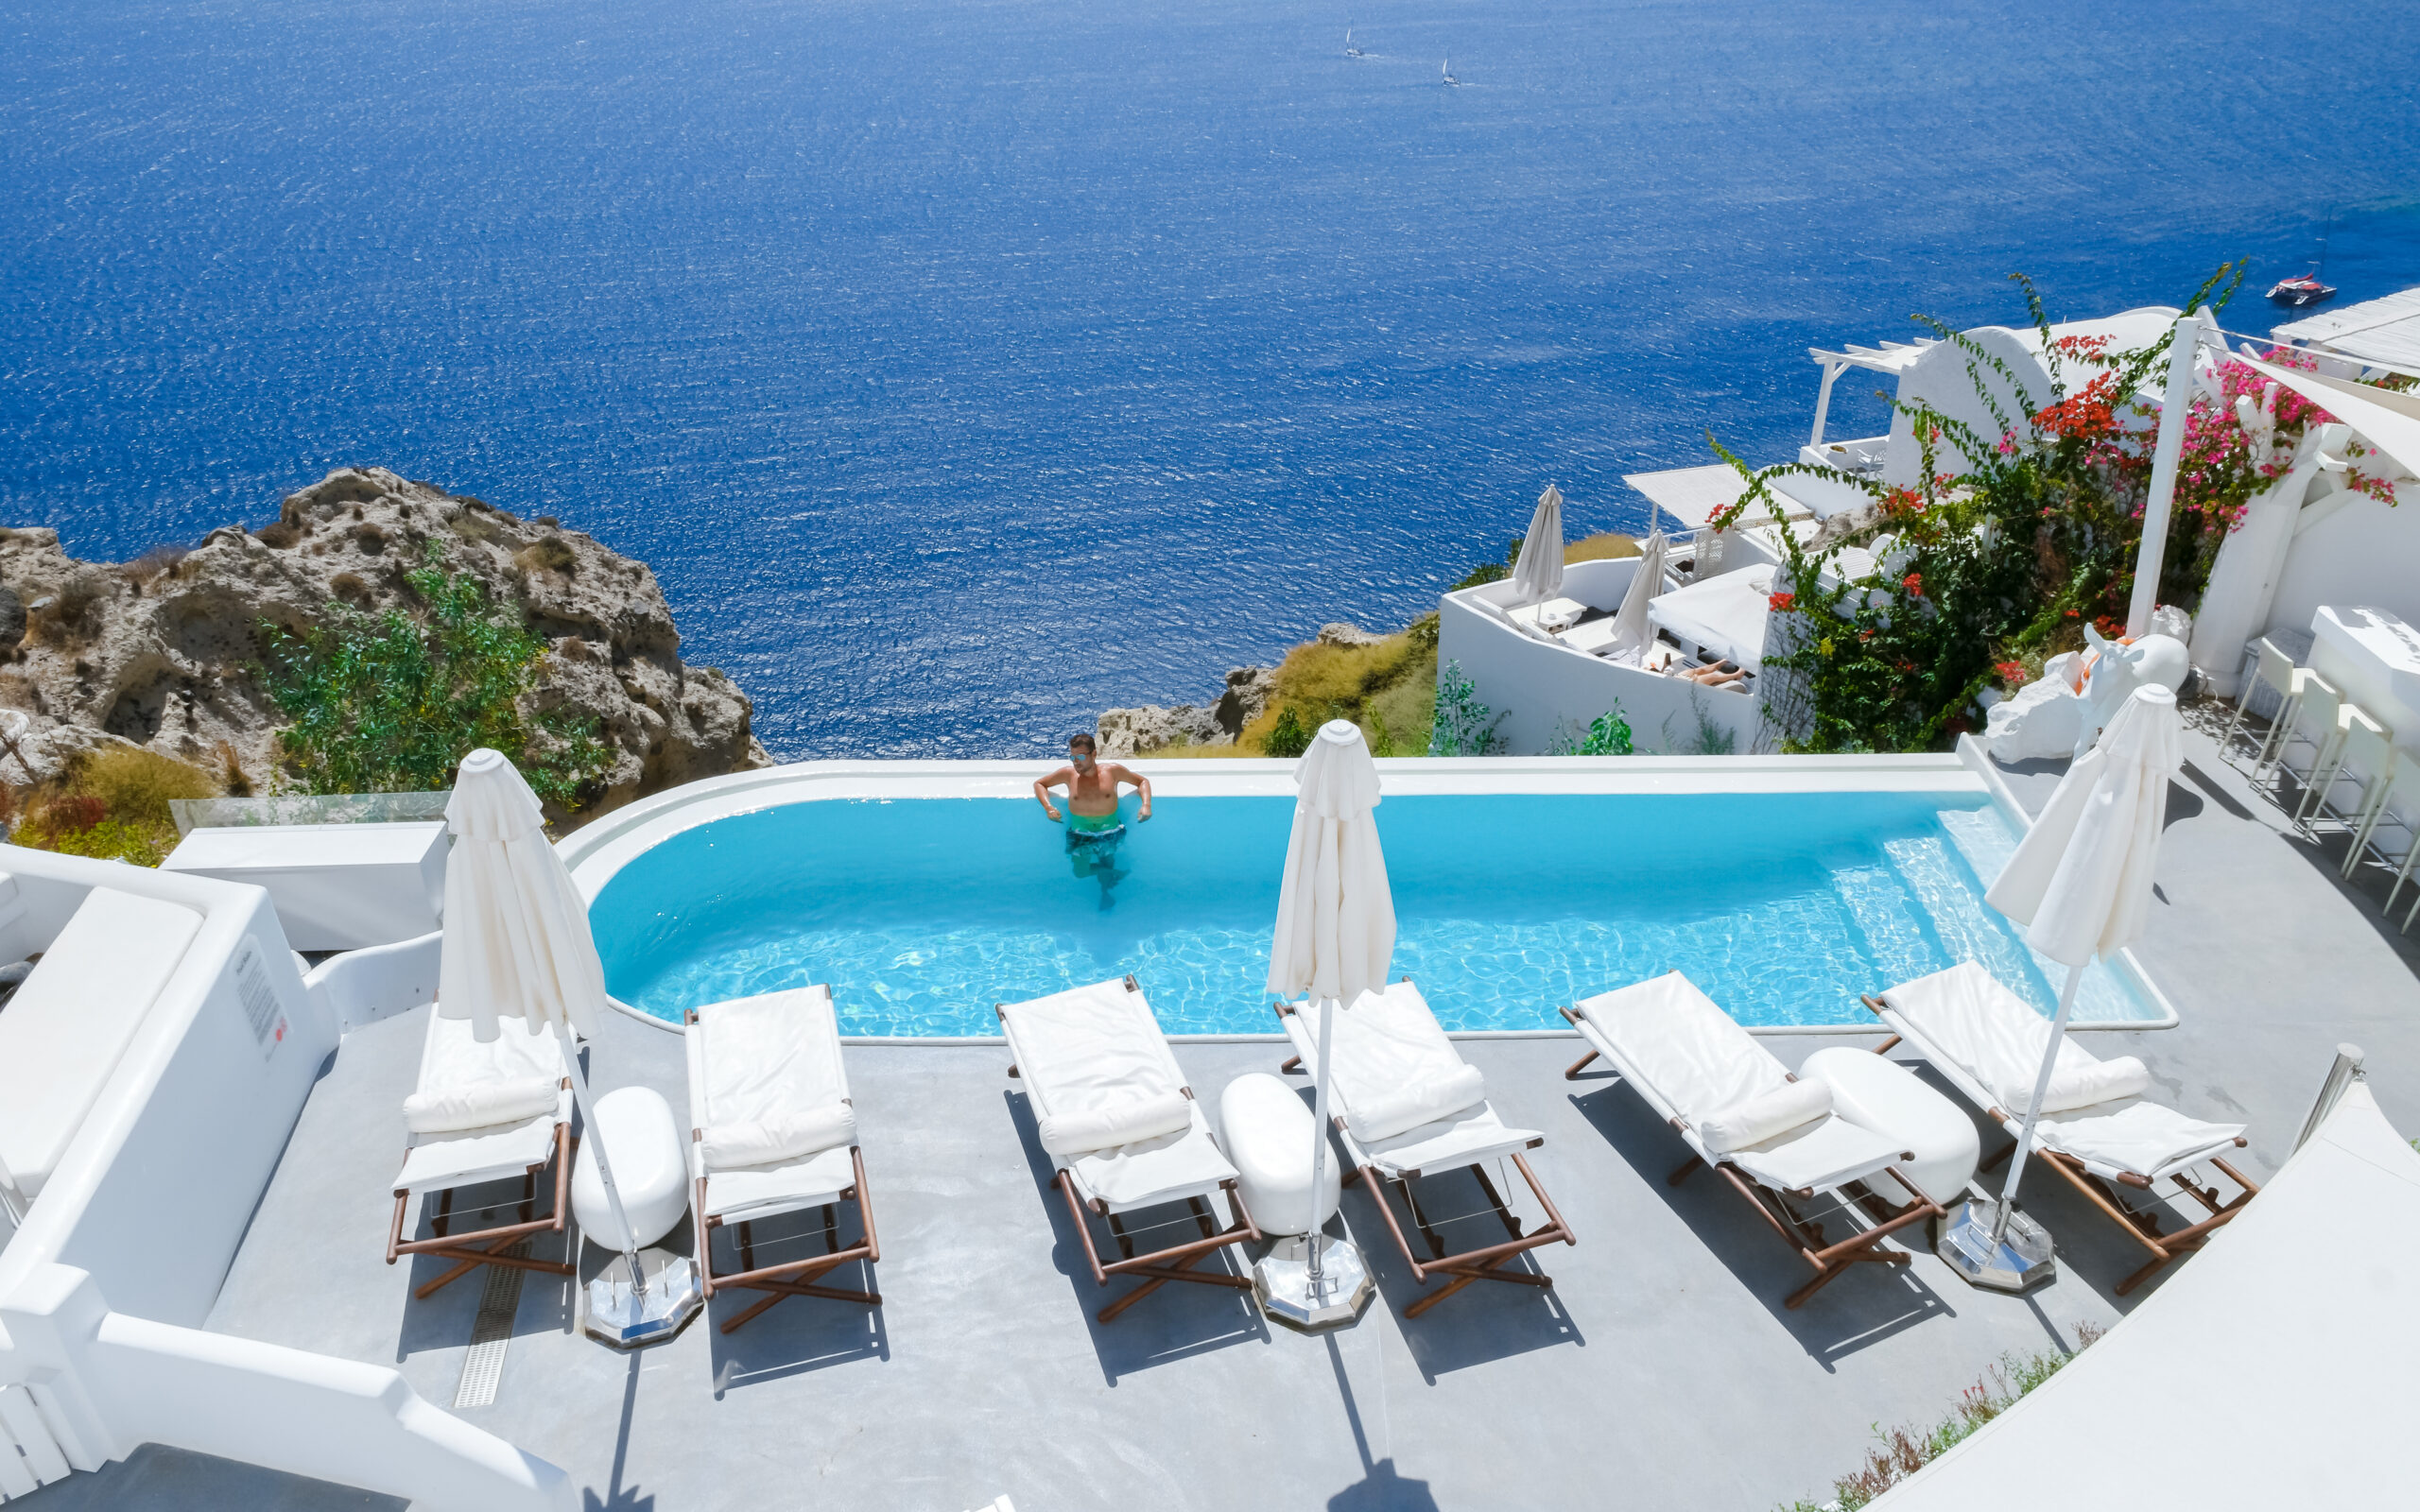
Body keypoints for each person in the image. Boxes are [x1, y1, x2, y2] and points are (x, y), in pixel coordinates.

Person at [1034, 733, 1152, 882]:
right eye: (1072, 757)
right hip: (1080, 834)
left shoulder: (1112, 771)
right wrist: (1048, 807)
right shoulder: (1068, 774)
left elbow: (1142, 782)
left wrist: (1146, 805)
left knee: (1108, 872)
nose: (1076, 762)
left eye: (1081, 757)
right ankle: (1105, 871)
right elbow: (1039, 784)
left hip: (1110, 831)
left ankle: (1107, 880)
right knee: (1080, 872)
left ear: (1094, 754)